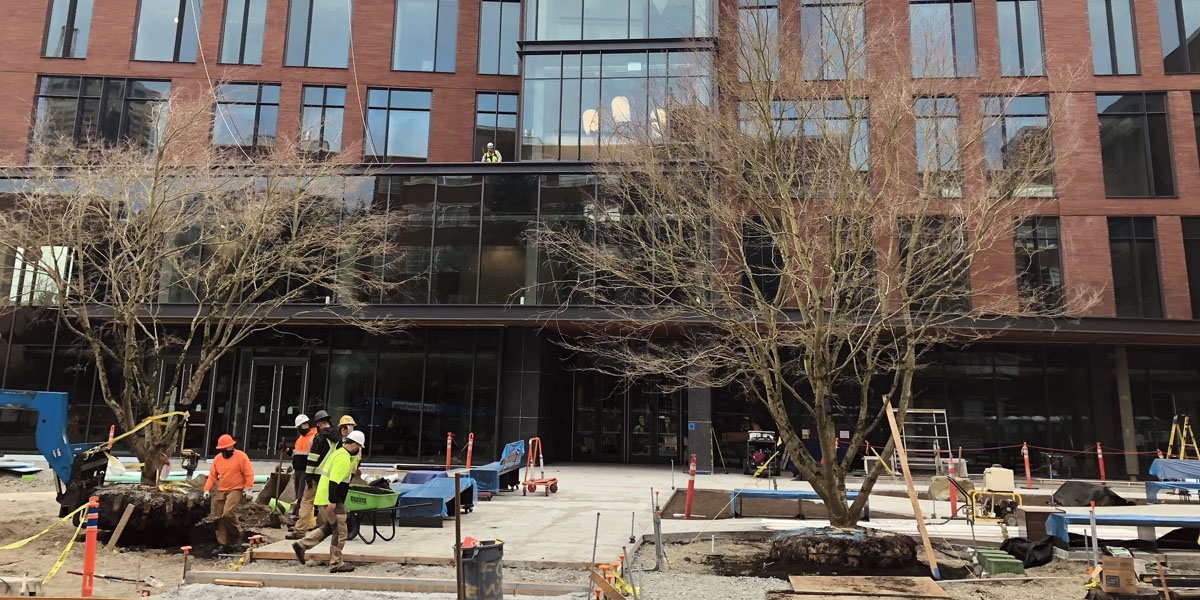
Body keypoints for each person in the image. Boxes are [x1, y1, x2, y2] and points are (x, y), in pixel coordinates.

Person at [293, 430, 365, 573]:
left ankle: (302, 545)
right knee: (340, 531)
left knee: (329, 527)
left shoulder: (338, 453)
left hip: (326, 497)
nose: (358, 451)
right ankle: (336, 563)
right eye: (359, 447)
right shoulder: (343, 458)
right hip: (330, 498)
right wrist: (333, 502)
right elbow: (334, 482)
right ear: (355, 445)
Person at [291, 410, 339, 539]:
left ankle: (299, 530)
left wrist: (308, 474)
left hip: (315, 475)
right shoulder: (337, 438)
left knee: (306, 502)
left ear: (320, 423)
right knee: (322, 502)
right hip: (329, 476)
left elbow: (313, 458)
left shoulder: (320, 437)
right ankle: (321, 529)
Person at [204, 434, 254, 552]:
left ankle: (237, 535)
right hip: (222, 489)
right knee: (217, 516)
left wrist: (248, 488)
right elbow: (212, 476)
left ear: (232, 446)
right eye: (224, 448)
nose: (226, 450)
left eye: (228, 447)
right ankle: (223, 543)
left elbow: (248, 473)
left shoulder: (241, 457)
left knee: (228, 512)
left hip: (236, 489)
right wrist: (206, 489)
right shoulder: (217, 459)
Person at [286, 414, 317, 519]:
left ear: (306, 424)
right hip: (298, 469)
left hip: (306, 469)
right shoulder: (300, 438)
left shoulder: (314, 436)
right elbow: (297, 453)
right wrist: (287, 450)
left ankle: (299, 516)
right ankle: (297, 514)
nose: (299, 429)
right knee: (297, 493)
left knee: (302, 494)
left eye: (300, 426)